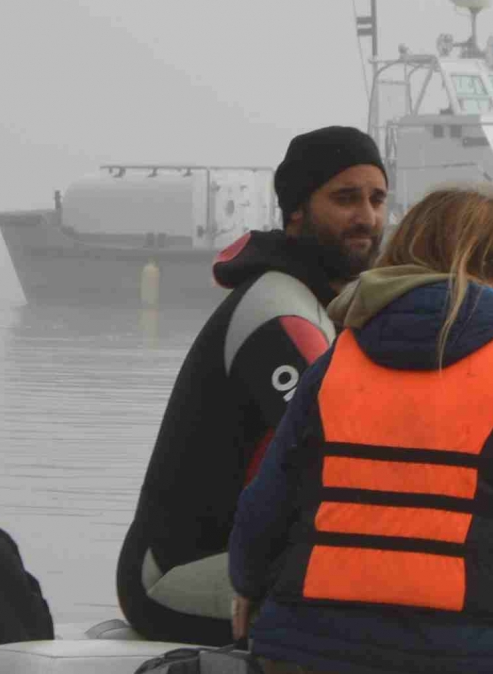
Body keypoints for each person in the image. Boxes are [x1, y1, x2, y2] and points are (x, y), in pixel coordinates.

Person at [228, 184, 493, 674]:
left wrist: (247, 588)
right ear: (477, 269)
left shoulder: (335, 362)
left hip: (314, 653)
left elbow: (258, 524)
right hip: (481, 663)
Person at [114, 126, 387, 644]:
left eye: (377, 199)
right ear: (297, 212)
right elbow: (341, 454)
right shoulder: (278, 310)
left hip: (249, 555)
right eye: (345, 198)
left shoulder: (326, 306)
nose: (367, 217)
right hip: (173, 577)